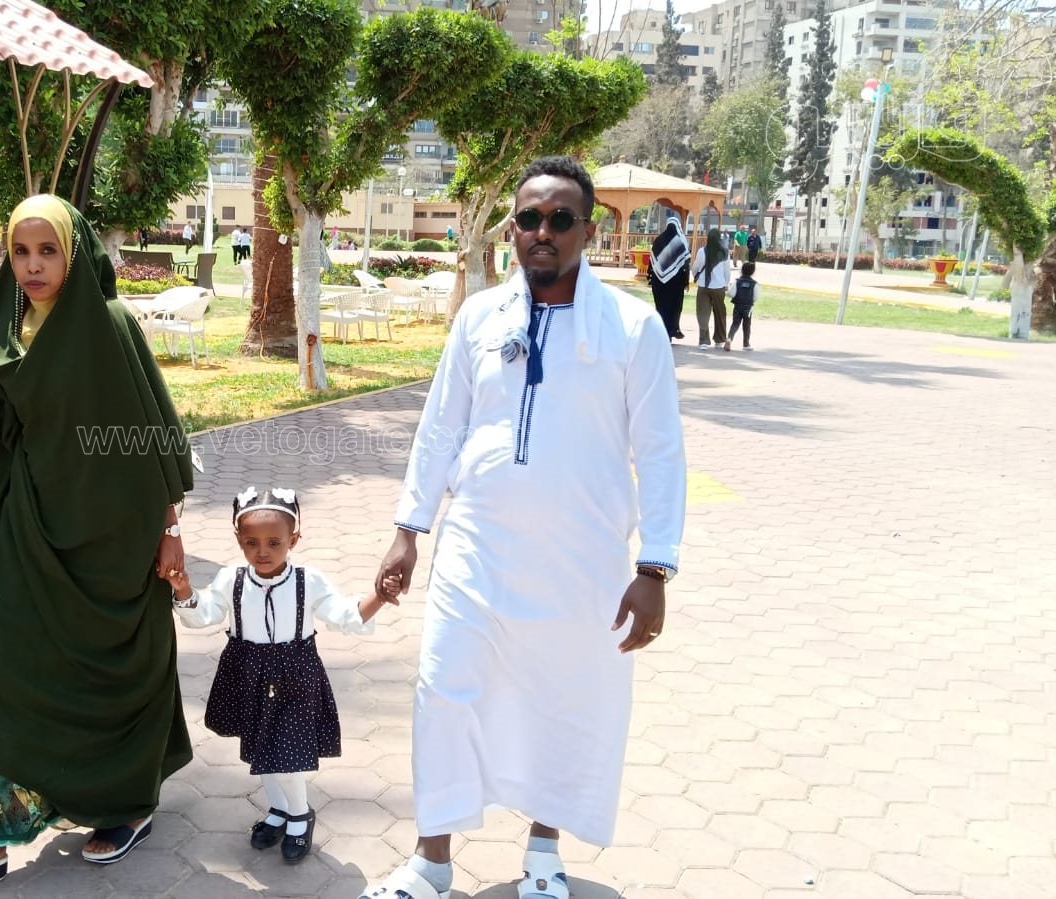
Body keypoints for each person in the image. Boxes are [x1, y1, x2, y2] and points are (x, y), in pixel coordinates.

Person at [359, 155, 686, 899]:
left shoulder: (632, 327)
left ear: (588, 230)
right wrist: (409, 528)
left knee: (563, 699)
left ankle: (543, 853)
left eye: (560, 219)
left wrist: (654, 567)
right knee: (443, 689)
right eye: (529, 219)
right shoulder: (479, 317)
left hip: (583, 558)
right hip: (476, 547)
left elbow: (661, 451)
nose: (543, 231)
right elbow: (441, 425)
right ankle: (430, 862)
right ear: (511, 229)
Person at [0, 196, 194, 898]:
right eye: (21, 251)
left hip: (111, 535)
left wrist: (169, 533)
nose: (34, 266)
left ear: (73, 254)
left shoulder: (111, 325)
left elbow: (151, 436)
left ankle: (125, 802)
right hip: (27, 528)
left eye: (48, 251)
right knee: (5, 671)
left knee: (110, 672)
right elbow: (0, 441)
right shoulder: (5, 330)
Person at [163, 488, 400, 865]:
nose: (263, 551)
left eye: (274, 542)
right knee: (262, 751)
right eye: (251, 542)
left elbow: (345, 614)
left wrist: (379, 597)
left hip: (295, 679)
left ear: (294, 539)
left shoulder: (308, 581)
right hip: (247, 676)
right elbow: (204, 613)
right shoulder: (231, 579)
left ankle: (301, 815)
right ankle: (279, 809)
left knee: (286, 756)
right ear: (238, 540)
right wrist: (184, 590)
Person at [647, 213, 690, 341]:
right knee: (675, 307)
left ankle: (662, 332)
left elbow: (652, 261)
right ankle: (672, 330)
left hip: (658, 282)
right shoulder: (681, 241)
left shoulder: (658, 240)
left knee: (661, 306)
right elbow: (685, 264)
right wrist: (686, 281)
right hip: (676, 282)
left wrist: (650, 276)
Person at [691, 229, 731, 349]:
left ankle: (703, 341)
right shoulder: (725, 253)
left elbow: (695, 268)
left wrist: (697, 278)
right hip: (719, 287)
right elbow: (727, 272)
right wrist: (725, 284)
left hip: (703, 287)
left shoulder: (701, 251)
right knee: (720, 314)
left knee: (703, 313)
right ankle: (719, 339)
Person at [727, 261, 759, 351]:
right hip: (748, 308)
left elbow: (731, 293)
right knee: (747, 325)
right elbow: (756, 297)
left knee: (735, 324)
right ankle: (746, 344)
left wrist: (726, 293)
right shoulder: (754, 284)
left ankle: (729, 339)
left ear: (741, 270)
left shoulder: (737, 281)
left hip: (737, 306)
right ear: (753, 272)